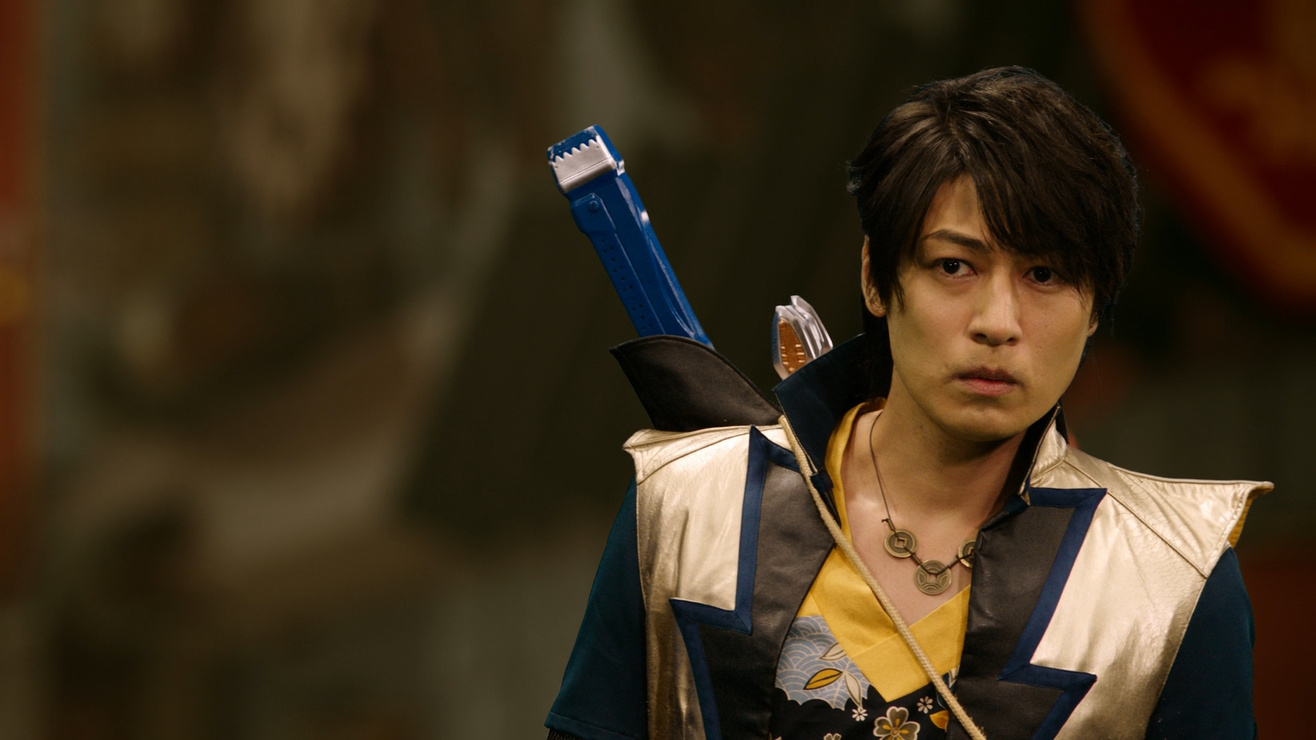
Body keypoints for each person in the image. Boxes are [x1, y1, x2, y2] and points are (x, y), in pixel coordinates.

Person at [544, 67, 1268, 740]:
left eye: (1045, 274)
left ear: (1095, 309)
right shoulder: (688, 505)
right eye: (954, 266)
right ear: (876, 278)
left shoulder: (1171, 580)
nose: (997, 321)